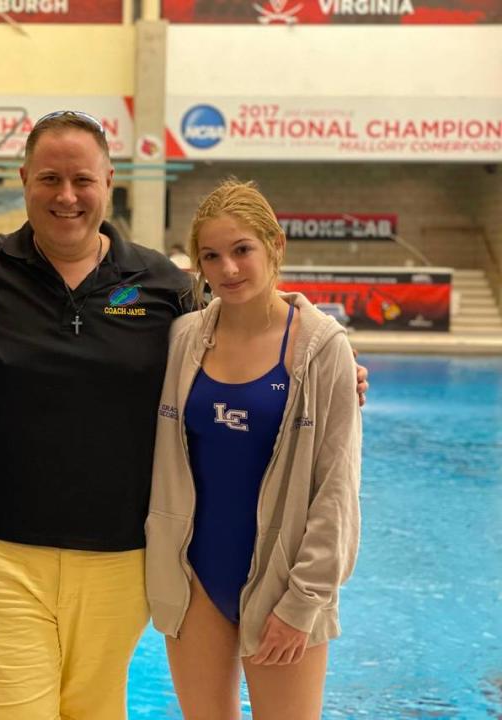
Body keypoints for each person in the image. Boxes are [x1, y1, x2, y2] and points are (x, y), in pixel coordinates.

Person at [0, 112, 369, 719]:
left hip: (134, 563)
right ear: (24, 180)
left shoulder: (162, 287)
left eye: (82, 179)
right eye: (49, 179)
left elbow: (258, 335)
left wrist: (335, 364)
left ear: (109, 181)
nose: (67, 196)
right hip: (32, 558)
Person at [145, 179, 362, 720]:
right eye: (211, 257)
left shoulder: (322, 349)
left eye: (242, 250)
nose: (228, 269)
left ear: (275, 246)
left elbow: (337, 490)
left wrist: (305, 601)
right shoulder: (181, 338)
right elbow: (116, 307)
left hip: (284, 581)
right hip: (194, 577)